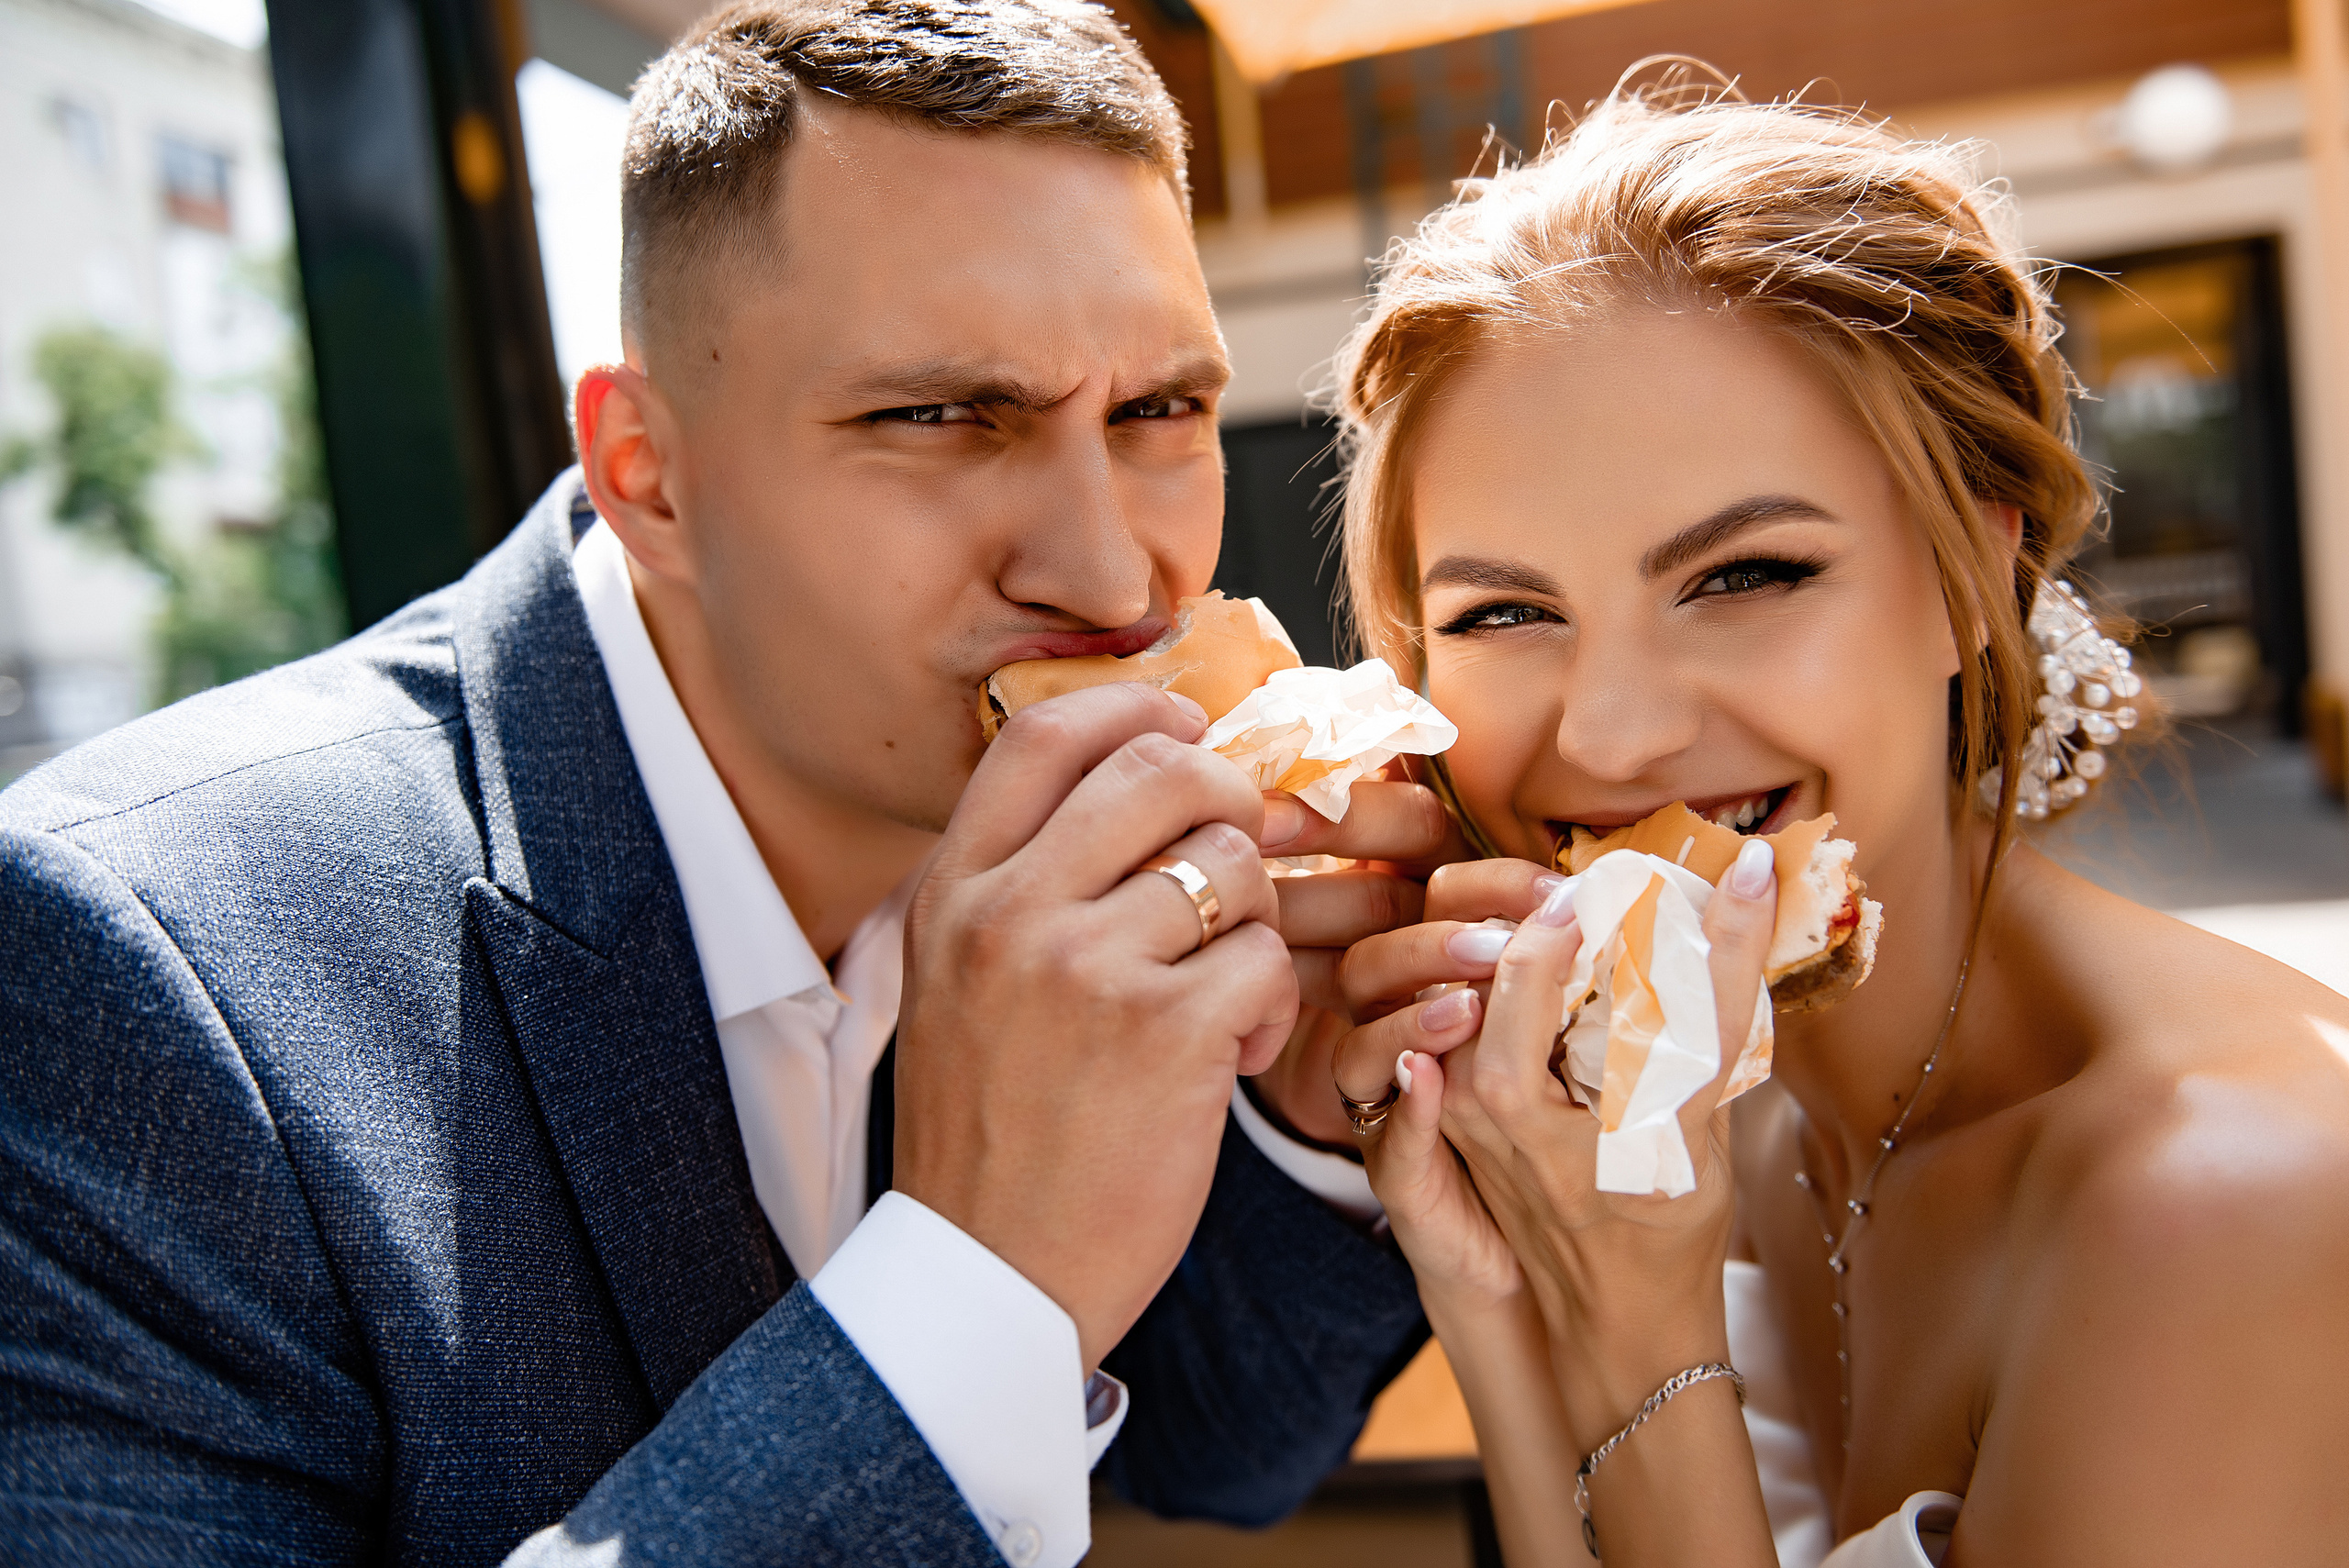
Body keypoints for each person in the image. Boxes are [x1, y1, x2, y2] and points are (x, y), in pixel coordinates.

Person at [0, 4, 1455, 1562]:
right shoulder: (134, 974)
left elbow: (1206, 1448)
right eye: (940, 417)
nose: (1111, 575)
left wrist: (1304, 1124)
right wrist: (975, 1278)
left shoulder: (1036, 832)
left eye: (1158, 411)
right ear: (650, 475)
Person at [1322, 80, 2349, 1566]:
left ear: (1967, 579)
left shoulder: (2222, 1201)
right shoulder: (1712, 1105)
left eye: (1744, 575)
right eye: (1502, 613)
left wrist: (1639, 1329)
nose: (1609, 735)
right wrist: (1486, 1286)